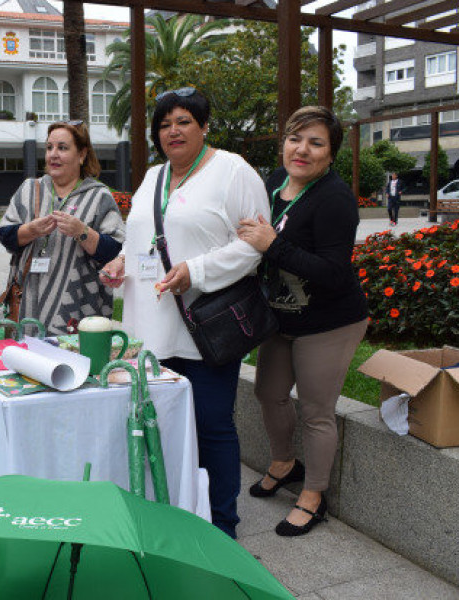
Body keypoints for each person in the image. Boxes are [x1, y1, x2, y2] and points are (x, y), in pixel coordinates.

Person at [100, 87, 269, 539]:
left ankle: (221, 523)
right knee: (164, 426)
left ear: (204, 125)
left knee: (212, 426)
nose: (173, 130)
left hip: (203, 329)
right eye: (164, 124)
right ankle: (175, 510)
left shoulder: (233, 172)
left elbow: (254, 245)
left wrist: (196, 270)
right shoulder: (153, 176)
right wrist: (120, 263)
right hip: (147, 330)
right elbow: (140, 240)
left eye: (184, 121)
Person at [237, 106, 368, 537]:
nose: (302, 150)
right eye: (295, 139)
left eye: (316, 143)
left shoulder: (335, 199)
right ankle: (283, 463)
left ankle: (314, 495)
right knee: (269, 391)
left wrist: (274, 245)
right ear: (284, 142)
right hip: (280, 317)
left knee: (316, 410)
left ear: (331, 154)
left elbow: (333, 271)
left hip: (330, 321)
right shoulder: (274, 183)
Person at [0, 120, 124, 334]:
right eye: (49, 148)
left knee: (74, 364)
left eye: (62, 148)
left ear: (82, 154)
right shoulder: (30, 189)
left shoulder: (98, 195)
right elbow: (5, 235)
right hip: (28, 303)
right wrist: (30, 231)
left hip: (80, 306)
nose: (53, 154)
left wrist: (82, 232)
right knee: (31, 364)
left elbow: (115, 250)